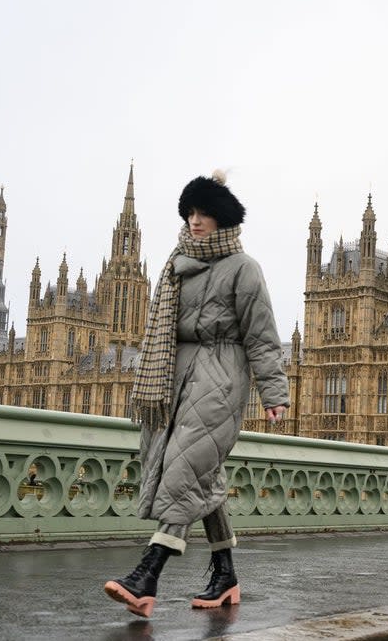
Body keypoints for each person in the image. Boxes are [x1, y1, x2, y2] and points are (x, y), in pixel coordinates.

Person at [103, 172, 290, 618]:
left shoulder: (245, 269)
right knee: (203, 477)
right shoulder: (176, 265)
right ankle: (225, 575)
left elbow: (262, 337)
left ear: (222, 218)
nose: (195, 221)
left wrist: (274, 392)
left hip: (222, 377)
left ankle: (147, 574)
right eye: (190, 213)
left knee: (185, 468)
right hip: (175, 378)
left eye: (204, 213)